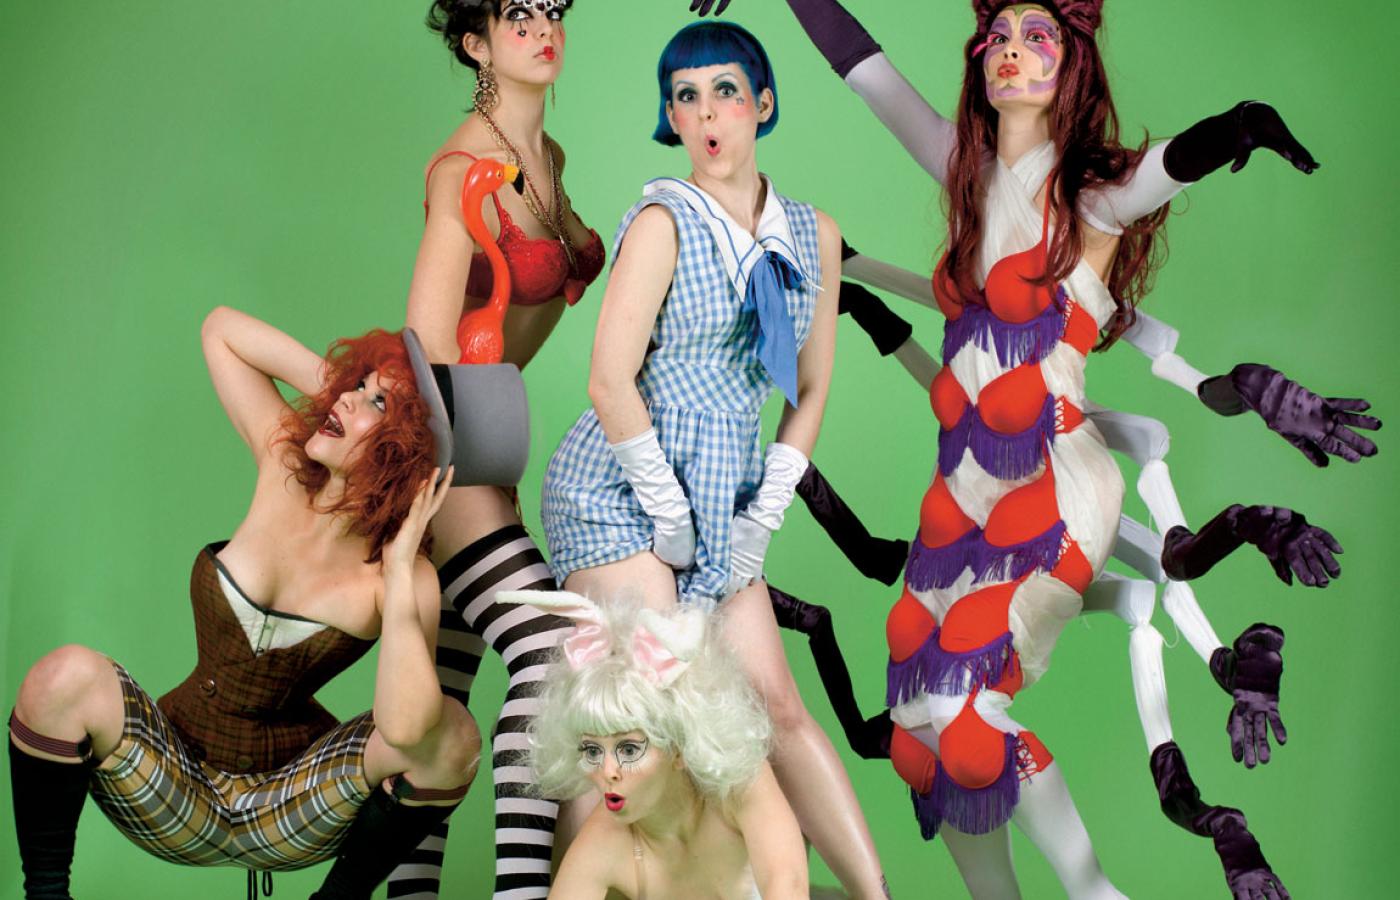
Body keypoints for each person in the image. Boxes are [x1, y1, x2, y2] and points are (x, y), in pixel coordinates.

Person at [683, 0, 1349, 897]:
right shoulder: (965, 169)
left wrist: (1243, 126)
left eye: (1037, 38)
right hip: (964, 487)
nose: (1011, 52)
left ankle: (1092, 890)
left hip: (1057, 474)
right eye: (998, 37)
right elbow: (866, 71)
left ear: (1071, 63)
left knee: (964, 702)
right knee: (917, 724)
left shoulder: (1092, 197)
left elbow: (1172, 162)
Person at [6, 308, 527, 900]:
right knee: (61, 676)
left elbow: (407, 733)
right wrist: (348, 391)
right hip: (173, 785)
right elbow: (221, 331)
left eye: (379, 405)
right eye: (357, 385)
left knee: (452, 734)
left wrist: (403, 569)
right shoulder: (282, 460)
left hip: (292, 807)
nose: (347, 398)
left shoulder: (402, 575)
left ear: (403, 452)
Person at [539, 20, 889, 898]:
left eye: (724, 91)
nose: (705, 114)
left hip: (725, 499)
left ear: (763, 103)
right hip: (619, 493)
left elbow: (810, 387)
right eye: (684, 97)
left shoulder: (812, 233)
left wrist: (766, 509)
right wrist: (665, 509)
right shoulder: (665, 221)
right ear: (671, 116)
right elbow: (609, 380)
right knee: (645, 709)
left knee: (778, 706)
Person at [393, 2, 609, 897]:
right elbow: (426, 347)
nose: (542, 27)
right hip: (442, 449)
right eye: (516, 14)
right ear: (476, 43)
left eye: (552, 9)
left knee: (439, 706)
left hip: (490, 443)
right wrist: (457, 487)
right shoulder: (463, 171)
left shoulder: (544, 158)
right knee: (553, 649)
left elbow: (538, 303)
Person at [510, 590, 806, 899]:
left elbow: (788, 885)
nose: (607, 771)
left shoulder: (738, 785)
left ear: (678, 746)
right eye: (592, 750)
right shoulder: (604, 842)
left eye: (628, 749)